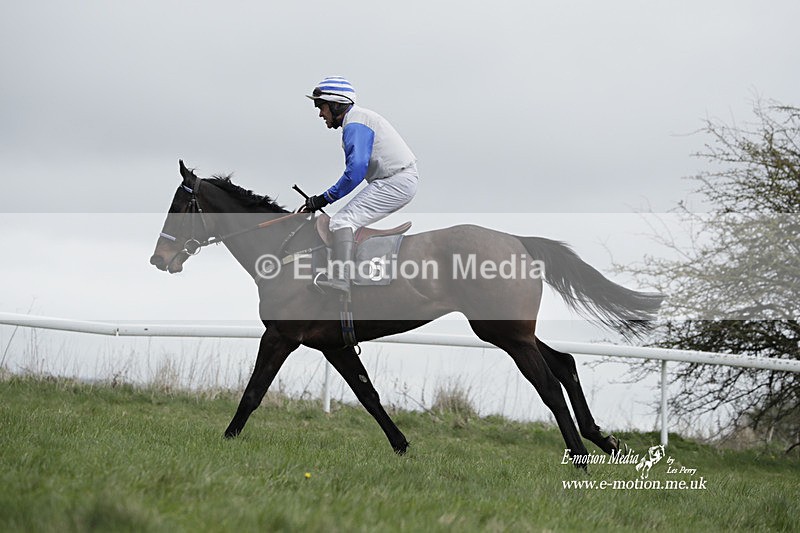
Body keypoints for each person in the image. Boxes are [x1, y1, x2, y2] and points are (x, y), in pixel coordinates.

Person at [302, 76, 418, 296]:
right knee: (343, 220)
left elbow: (355, 172)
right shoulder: (357, 120)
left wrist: (323, 198)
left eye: (321, 106)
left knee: (342, 221)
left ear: (336, 105)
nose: (320, 113)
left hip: (395, 181)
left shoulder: (355, 124)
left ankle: (341, 280)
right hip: (395, 179)